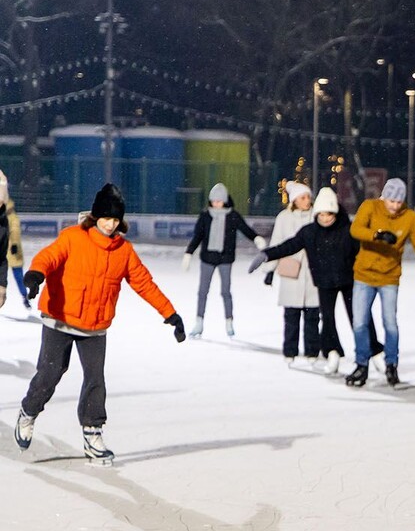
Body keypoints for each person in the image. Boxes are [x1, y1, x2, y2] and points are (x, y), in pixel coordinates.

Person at [11, 184, 185, 463]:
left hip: (95, 325)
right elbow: (49, 256)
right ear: (95, 216)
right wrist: (35, 274)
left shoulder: (123, 251)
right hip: (60, 318)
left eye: (115, 219)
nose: (110, 223)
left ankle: (93, 432)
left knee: (95, 380)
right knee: (50, 375)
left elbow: (144, 284)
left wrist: (170, 314)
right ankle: (28, 412)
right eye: (106, 217)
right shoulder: (72, 238)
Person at [249, 187, 382, 374]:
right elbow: (289, 246)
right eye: (322, 214)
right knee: (327, 320)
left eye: (330, 214)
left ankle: (375, 352)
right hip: (324, 282)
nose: (326, 218)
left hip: (349, 280)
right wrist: (266, 255)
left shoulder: (347, 230)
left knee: (359, 318)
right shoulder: (309, 232)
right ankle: (332, 352)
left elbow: (364, 251)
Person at [345, 177, 415, 388]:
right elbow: (356, 229)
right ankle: (361, 365)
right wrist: (377, 235)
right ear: (384, 197)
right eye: (391, 201)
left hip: (389, 278)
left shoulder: (409, 218)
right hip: (364, 275)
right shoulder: (370, 207)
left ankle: (391, 365)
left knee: (390, 323)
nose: (394, 206)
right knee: (359, 323)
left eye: (398, 202)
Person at [182, 183, 266, 338]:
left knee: (226, 291)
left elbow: (245, 229)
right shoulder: (205, 216)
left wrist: (256, 238)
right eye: (213, 201)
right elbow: (198, 236)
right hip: (207, 258)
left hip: (225, 259)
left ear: (225, 200)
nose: (216, 204)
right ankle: (199, 322)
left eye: (219, 201)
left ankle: (229, 321)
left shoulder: (233, 216)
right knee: (202, 291)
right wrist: (189, 252)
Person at [265, 181, 321, 365]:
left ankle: (312, 351)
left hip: (313, 272)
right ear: (294, 200)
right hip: (291, 271)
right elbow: (277, 242)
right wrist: (270, 270)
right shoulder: (284, 217)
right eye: (303, 197)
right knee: (291, 316)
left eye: (308, 197)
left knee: (312, 316)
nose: (307, 201)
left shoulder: (316, 215)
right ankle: (290, 351)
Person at [2, 170, 31, 309]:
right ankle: (24, 296)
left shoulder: (11, 216)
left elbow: (14, 231)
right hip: (7, 249)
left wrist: (14, 245)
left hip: (12, 251)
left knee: (18, 275)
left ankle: (24, 296)